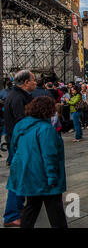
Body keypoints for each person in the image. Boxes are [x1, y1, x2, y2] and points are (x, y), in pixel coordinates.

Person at [7, 97, 67, 228]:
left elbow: (13, 147)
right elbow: (49, 155)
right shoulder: (46, 129)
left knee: (32, 206)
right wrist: (52, 177)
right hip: (43, 175)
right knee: (55, 211)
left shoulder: (21, 124)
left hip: (28, 172)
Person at [3, 70, 36, 227]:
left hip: (18, 142)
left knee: (21, 176)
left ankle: (17, 208)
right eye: (33, 80)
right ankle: (11, 215)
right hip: (19, 144)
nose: (36, 83)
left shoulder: (18, 96)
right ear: (26, 82)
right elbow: (21, 124)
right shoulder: (17, 98)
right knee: (18, 177)